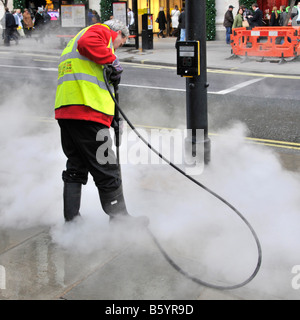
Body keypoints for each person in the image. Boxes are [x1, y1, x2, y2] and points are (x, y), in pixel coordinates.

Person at [54, 19, 149, 227]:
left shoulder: (74, 42)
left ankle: (72, 221)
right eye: (121, 43)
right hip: (87, 112)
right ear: (119, 34)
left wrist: (114, 118)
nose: (117, 49)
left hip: (68, 110)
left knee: (76, 166)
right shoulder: (100, 31)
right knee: (107, 167)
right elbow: (89, 44)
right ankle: (120, 220)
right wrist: (112, 61)